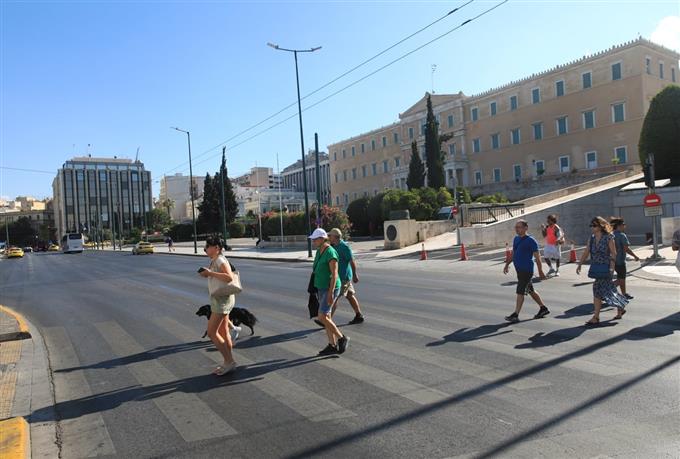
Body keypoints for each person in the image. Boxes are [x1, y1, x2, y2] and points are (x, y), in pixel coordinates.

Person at [576, 216, 628, 325]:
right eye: (591, 225)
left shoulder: (608, 237)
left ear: (601, 226)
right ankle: (620, 306)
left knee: (598, 289)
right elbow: (586, 251)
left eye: (594, 225)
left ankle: (596, 317)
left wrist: (611, 268)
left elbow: (613, 253)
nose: (592, 227)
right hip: (596, 267)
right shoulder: (592, 238)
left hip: (606, 268)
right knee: (608, 290)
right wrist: (580, 264)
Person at [199, 237, 238, 375]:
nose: (205, 249)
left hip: (221, 301)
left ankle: (229, 361)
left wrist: (209, 273)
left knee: (211, 333)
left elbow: (229, 277)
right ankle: (229, 361)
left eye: (207, 246)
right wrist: (208, 274)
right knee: (223, 331)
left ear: (216, 248)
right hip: (223, 298)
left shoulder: (220, 260)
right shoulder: (216, 259)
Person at [309, 228, 349, 355]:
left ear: (322, 239)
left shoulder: (331, 252)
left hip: (330, 288)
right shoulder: (319, 251)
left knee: (322, 317)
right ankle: (332, 345)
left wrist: (331, 293)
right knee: (327, 317)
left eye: (315, 239)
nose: (313, 241)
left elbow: (334, 274)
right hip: (321, 287)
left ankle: (342, 338)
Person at [503, 220, 549, 323]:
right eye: (516, 227)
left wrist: (540, 271)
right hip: (519, 270)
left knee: (520, 291)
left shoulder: (531, 241)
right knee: (530, 290)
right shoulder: (516, 239)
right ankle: (543, 308)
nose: (517, 229)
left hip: (526, 270)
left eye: (519, 227)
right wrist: (507, 264)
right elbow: (513, 253)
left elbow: (537, 257)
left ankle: (515, 314)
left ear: (525, 228)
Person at [328, 228, 364, 325]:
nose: (329, 237)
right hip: (339, 276)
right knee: (349, 295)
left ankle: (327, 320)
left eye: (330, 236)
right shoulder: (333, 246)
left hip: (343, 277)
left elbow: (351, 261)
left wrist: (355, 274)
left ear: (335, 237)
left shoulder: (344, 247)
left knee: (334, 297)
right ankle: (359, 315)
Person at [610, 217, 640, 299]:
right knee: (621, 278)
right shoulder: (622, 235)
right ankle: (609, 290)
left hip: (611, 261)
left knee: (620, 277)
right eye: (623, 224)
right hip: (620, 260)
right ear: (619, 226)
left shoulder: (611, 235)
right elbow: (626, 249)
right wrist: (635, 256)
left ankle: (623, 294)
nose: (625, 226)